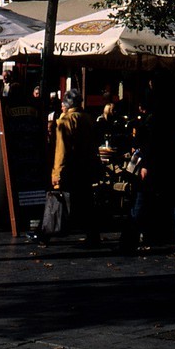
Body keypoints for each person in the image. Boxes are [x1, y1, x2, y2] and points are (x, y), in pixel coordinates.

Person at [51, 89, 101, 245]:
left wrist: (56, 172)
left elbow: (62, 150)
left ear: (66, 105)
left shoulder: (66, 120)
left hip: (71, 168)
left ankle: (48, 230)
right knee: (86, 200)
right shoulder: (88, 119)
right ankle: (93, 234)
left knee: (60, 200)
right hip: (86, 166)